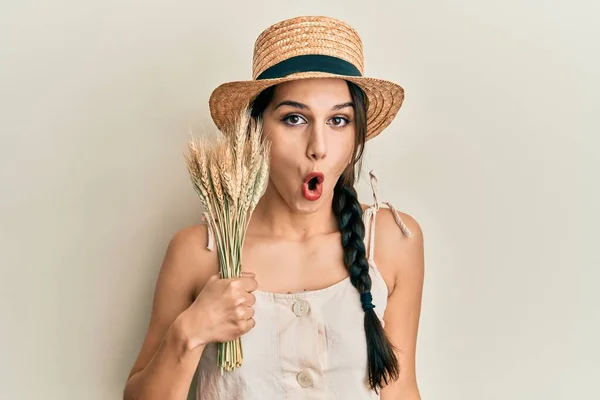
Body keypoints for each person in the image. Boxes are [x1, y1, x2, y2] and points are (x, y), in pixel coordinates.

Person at [124, 15, 425, 400]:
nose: (318, 146)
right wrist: (190, 332)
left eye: (338, 120)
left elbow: (401, 389)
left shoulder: (393, 240)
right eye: (294, 119)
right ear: (256, 128)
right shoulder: (198, 252)